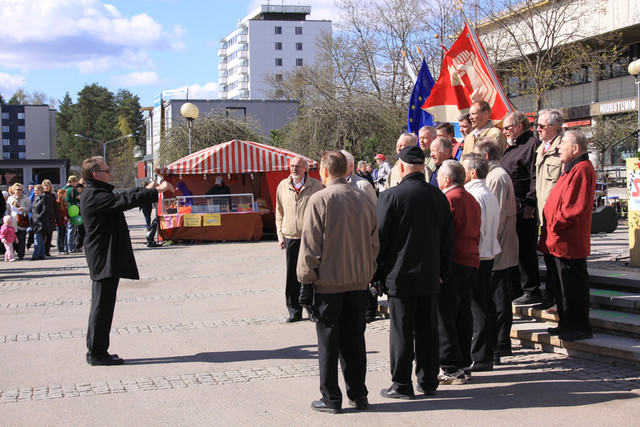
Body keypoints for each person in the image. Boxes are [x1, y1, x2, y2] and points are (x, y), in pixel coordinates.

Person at [297, 150, 378, 414]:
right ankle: (359, 394)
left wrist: (306, 280)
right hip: (357, 282)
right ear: (346, 170)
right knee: (355, 340)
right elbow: (374, 242)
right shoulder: (363, 198)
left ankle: (331, 397)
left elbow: (310, 246)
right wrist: (367, 271)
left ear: (324, 170)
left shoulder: (319, 199)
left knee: (328, 343)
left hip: (328, 283)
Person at [375, 146, 453, 399]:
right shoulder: (439, 196)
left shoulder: (391, 196)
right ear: (423, 168)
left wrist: (377, 273)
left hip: (400, 276)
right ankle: (429, 380)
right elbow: (448, 239)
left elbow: (380, 239)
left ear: (400, 168)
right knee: (428, 331)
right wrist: (443, 270)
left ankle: (401, 384)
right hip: (430, 274)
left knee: (401, 333)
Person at [80, 156, 174, 366]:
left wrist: (147, 188)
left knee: (103, 306)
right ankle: (96, 353)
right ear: (96, 175)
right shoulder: (94, 195)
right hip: (103, 257)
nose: (110, 173)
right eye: (106, 170)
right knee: (101, 307)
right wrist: (156, 191)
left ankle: (97, 350)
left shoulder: (97, 192)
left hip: (105, 256)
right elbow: (122, 201)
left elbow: (123, 195)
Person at [538, 131, 596, 341]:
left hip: (567, 241)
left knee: (572, 288)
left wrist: (556, 224)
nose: (559, 147)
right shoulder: (571, 168)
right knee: (562, 288)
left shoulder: (581, 169)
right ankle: (566, 324)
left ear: (576, 148)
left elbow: (573, 209)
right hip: (558, 239)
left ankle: (578, 327)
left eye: (563, 144)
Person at [436, 160, 481, 385]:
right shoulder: (471, 198)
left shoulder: (449, 199)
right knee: (464, 315)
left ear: (446, 179)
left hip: (455, 261)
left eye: (438, 178)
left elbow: (444, 235)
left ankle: (450, 366)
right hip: (471, 259)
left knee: (446, 315)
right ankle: (463, 362)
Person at [474, 139, 518, 362]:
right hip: (494, 246)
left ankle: (501, 342)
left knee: (499, 298)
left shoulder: (497, 176)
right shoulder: (492, 175)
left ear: (486, 157)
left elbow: (497, 216)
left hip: (497, 246)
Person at [461, 154, 501, 372]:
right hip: (486, 253)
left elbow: (475, 228)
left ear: (473, 172)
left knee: (478, 307)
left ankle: (482, 355)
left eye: (464, 169)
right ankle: (488, 351)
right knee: (483, 304)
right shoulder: (488, 194)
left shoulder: (475, 195)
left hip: (479, 254)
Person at [275, 156, 324, 323]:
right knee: (292, 275)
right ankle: (294, 310)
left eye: (297, 166)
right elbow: (279, 212)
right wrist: (280, 235)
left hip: (311, 237)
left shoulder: (316, 186)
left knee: (310, 273)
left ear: (305, 168)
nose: (294, 169)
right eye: (292, 166)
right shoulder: (283, 185)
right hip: (290, 236)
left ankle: (311, 308)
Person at [501, 110, 542, 305]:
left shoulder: (531, 145)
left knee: (525, 249)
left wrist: (530, 203)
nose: (505, 131)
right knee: (513, 250)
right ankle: (516, 288)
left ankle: (531, 289)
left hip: (523, 206)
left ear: (518, 126)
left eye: (507, 128)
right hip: (511, 205)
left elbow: (535, 177)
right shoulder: (513, 146)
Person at [535, 109, 564, 308]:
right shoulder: (541, 148)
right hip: (542, 214)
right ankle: (550, 295)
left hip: (556, 215)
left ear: (554, 127)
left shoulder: (563, 149)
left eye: (542, 126)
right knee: (547, 257)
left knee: (557, 262)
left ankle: (556, 297)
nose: (538, 129)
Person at [5, 183, 31, 260]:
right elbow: (7, 209)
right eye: (17, 190)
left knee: (22, 238)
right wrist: (7, 218)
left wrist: (23, 209)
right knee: (11, 239)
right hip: (12, 221)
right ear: (13, 190)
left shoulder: (25, 198)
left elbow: (30, 207)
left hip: (22, 221)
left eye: (21, 190)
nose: (19, 191)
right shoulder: (10, 198)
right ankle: (11, 255)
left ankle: (21, 255)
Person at [30, 184, 51, 260]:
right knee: (40, 239)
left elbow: (45, 210)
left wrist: (39, 217)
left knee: (37, 238)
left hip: (41, 222)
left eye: (36, 190)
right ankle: (41, 254)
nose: (34, 191)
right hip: (35, 221)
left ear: (41, 190)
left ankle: (35, 255)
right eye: (34, 190)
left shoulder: (45, 198)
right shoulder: (36, 198)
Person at [42, 179, 61, 257]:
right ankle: (42, 251)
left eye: (47, 185)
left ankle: (47, 251)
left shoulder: (52, 195)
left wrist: (58, 219)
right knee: (43, 236)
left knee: (49, 236)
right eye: (44, 186)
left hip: (51, 218)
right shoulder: (41, 195)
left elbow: (55, 208)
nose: (46, 187)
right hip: (43, 219)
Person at [64, 176, 81, 253]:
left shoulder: (63, 188)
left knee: (65, 230)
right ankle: (71, 248)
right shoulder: (72, 190)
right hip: (72, 211)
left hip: (64, 211)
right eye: (76, 182)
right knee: (72, 230)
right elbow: (81, 198)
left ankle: (65, 247)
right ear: (73, 181)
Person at [56, 189, 69, 255]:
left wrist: (68, 217)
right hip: (60, 222)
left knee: (63, 235)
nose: (66, 195)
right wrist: (63, 216)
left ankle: (63, 248)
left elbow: (66, 211)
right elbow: (58, 212)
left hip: (64, 221)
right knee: (60, 235)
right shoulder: (58, 202)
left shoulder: (64, 202)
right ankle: (59, 249)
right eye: (65, 194)